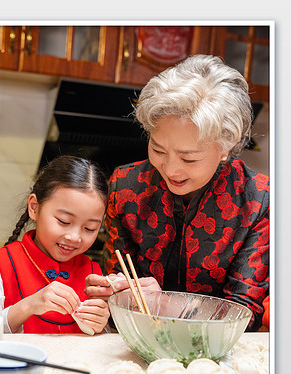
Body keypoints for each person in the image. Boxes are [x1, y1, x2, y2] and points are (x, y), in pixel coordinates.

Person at [85, 54, 269, 332]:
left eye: (189, 158)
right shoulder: (125, 186)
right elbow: (118, 284)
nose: (170, 169)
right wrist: (112, 292)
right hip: (139, 339)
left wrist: (166, 304)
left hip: (217, 353)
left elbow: (246, 313)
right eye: (158, 149)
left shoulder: (257, 198)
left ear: (225, 149)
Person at [0, 155, 110, 334]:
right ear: (34, 208)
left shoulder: (93, 274)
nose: (75, 237)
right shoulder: (0, 264)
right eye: (64, 221)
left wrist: (100, 325)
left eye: (90, 228)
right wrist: (29, 305)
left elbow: (100, 343)